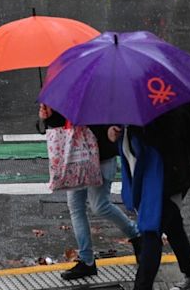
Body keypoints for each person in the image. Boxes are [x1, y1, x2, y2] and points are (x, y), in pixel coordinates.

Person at [108, 102, 190, 290]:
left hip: (171, 177)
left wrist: (139, 128)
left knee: (150, 231)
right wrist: (116, 132)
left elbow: (168, 137)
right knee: (173, 225)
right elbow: (131, 148)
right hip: (152, 180)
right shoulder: (134, 104)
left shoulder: (168, 102)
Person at [39, 104, 141, 280]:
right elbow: (59, 123)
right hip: (74, 158)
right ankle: (87, 261)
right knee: (76, 207)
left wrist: (112, 130)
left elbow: (116, 115)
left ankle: (137, 236)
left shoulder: (103, 86)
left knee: (100, 206)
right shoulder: (66, 91)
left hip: (101, 157)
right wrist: (47, 116)